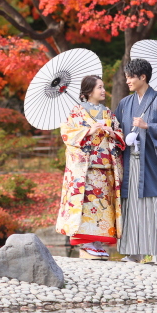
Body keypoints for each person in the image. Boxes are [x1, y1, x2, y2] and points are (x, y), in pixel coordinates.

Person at [115, 58, 157, 266]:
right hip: (130, 162)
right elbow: (117, 130)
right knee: (132, 204)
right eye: (126, 77)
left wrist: (147, 126)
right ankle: (133, 252)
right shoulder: (125, 103)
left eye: (131, 77)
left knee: (155, 204)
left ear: (143, 77)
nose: (128, 81)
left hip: (152, 161)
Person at [56, 75, 125, 260]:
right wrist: (90, 130)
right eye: (99, 87)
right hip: (85, 170)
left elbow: (119, 134)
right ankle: (85, 242)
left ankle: (97, 242)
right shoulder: (77, 112)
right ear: (88, 91)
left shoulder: (108, 113)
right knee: (86, 205)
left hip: (105, 167)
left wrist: (112, 133)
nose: (103, 91)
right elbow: (67, 135)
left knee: (102, 206)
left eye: (103, 87)